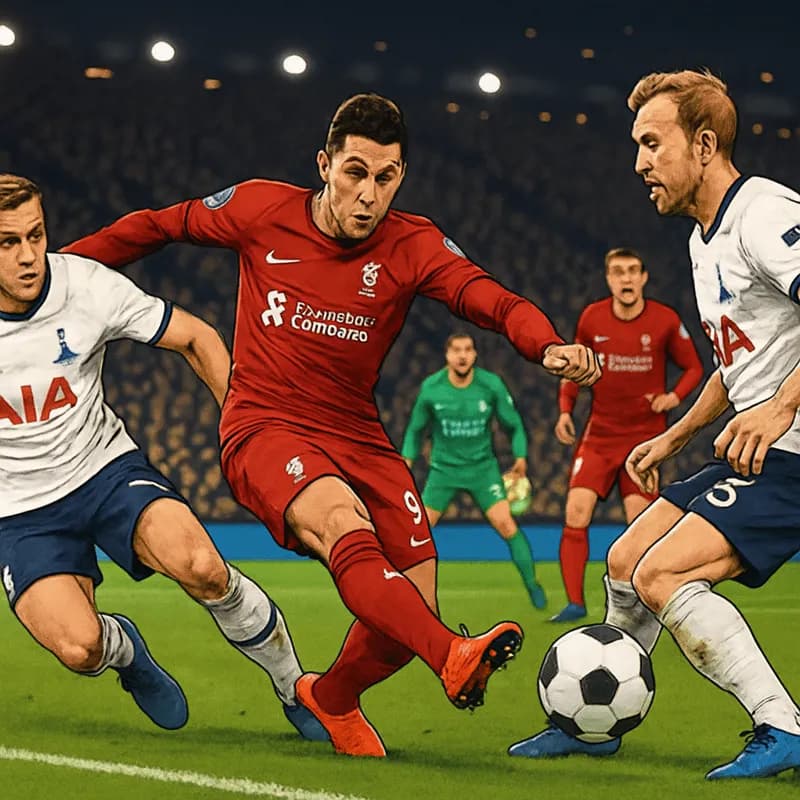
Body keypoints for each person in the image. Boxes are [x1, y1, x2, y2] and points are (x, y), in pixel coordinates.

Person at [63, 93, 601, 757]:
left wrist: (545, 345)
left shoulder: (413, 244)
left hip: (357, 434)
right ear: (324, 164)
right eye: (354, 172)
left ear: (400, 177)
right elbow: (157, 224)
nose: (368, 193)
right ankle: (453, 657)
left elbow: (486, 297)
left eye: (385, 177)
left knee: (413, 600)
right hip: (266, 425)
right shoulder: (262, 208)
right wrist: (60, 272)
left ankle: (333, 696)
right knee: (345, 524)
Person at [508, 68, 800, 780]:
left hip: (793, 447)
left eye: (651, 143)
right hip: (756, 447)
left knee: (662, 572)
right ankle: (591, 726)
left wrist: (783, 405)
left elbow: (769, 387)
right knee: (623, 564)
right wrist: (674, 436)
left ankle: (782, 725)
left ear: (704, 144)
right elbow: (737, 366)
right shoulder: (706, 240)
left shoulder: (764, 211)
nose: (639, 163)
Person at [0, 174, 326, 741]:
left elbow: (196, 337)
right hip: (19, 510)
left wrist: (245, 428)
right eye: (7, 243)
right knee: (81, 649)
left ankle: (296, 687)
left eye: (36, 235)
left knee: (203, 567)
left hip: (104, 471)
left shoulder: (86, 286)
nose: (29, 257)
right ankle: (126, 651)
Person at [549, 247, 703, 622]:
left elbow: (694, 367)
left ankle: (640, 602)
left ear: (644, 278)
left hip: (645, 440)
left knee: (641, 524)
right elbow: (574, 368)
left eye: (633, 271)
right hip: (599, 435)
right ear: (609, 279)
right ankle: (574, 603)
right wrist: (565, 410)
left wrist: (673, 397)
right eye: (618, 272)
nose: (626, 278)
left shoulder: (665, 320)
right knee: (576, 511)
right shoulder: (592, 318)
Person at [401, 332, 547, 609]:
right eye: (456, 349)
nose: (462, 355)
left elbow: (513, 424)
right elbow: (415, 430)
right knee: (418, 532)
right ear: (447, 355)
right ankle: (404, 592)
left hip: (483, 470)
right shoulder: (431, 388)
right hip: (443, 470)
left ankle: (532, 585)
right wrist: (406, 460)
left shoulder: (490, 385)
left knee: (507, 525)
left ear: (475, 354)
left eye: (468, 349)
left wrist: (521, 456)